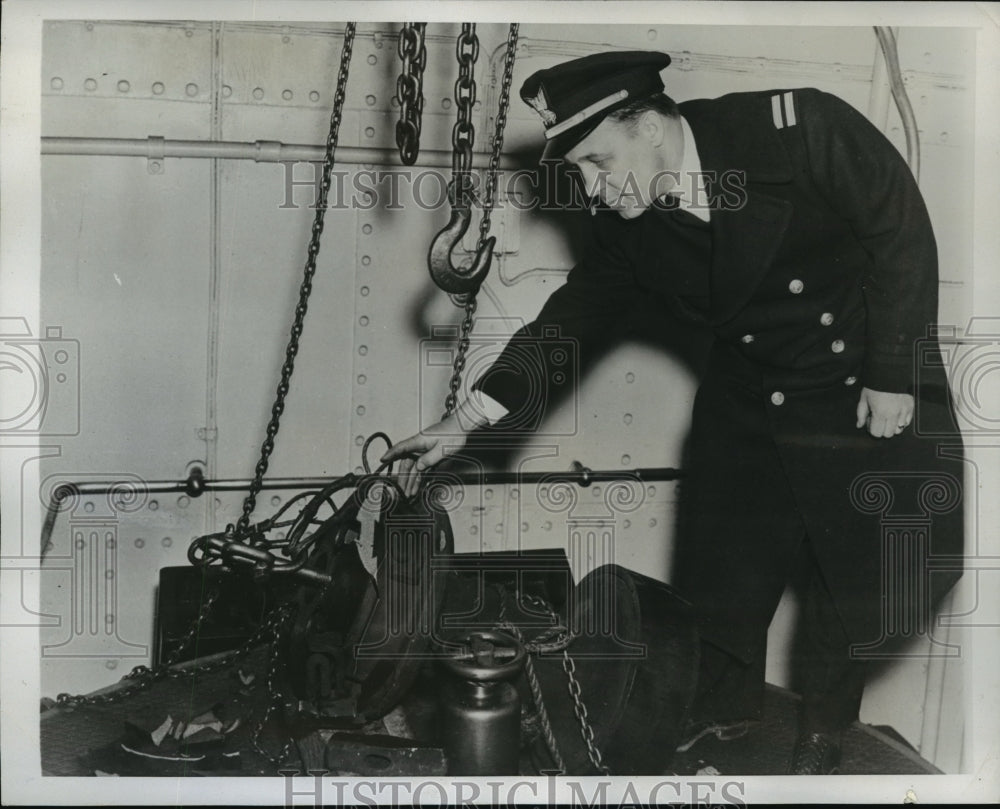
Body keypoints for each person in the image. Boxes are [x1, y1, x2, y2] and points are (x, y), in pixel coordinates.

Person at [382, 51, 964, 775]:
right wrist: (465, 418)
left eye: (597, 162)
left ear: (652, 127)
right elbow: (571, 321)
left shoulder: (796, 129)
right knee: (724, 569)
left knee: (863, 574)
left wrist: (890, 373)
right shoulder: (633, 226)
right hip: (751, 387)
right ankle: (726, 708)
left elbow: (897, 223)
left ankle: (824, 726)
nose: (592, 192)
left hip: (859, 374)